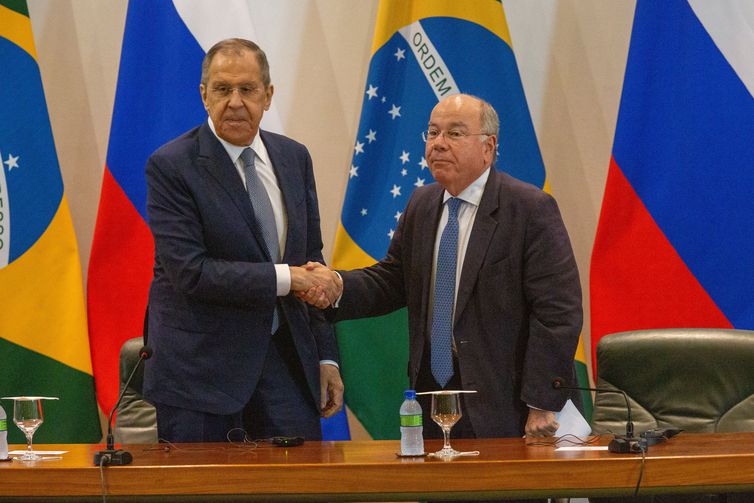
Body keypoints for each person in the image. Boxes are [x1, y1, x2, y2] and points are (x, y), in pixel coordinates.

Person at [302, 93, 582, 440]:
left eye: (454, 133)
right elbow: (392, 280)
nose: (438, 143)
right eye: (433, 132)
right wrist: (336, 286)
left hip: (509, 404)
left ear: (488, 147)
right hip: (434, 397)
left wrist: (541, 403)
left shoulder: (528, 208)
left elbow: (558, 312)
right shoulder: (422, 204)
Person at [143, 38, 343, 443]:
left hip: (287, 368)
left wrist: (326, 356)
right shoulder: (171, 166)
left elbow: (311, 260)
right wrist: (289, 278)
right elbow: (192, 272)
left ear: (268, 96)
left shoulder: (294, 158)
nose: (234, 102)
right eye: (222, 89)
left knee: (299, 478)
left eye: (247, 89)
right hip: (201, 378)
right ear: (204, 95)